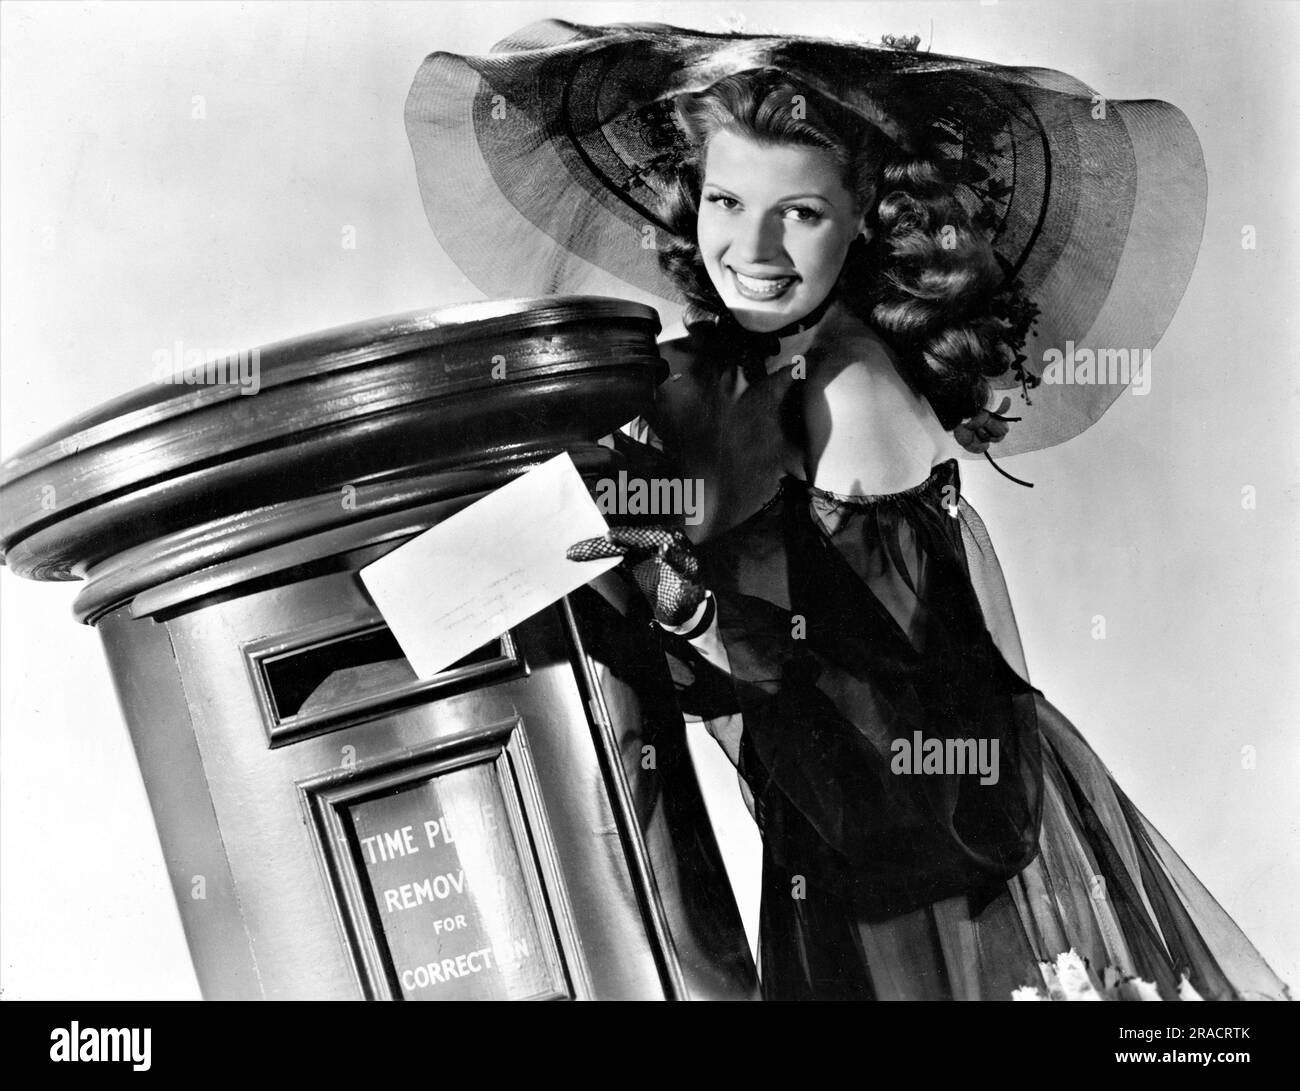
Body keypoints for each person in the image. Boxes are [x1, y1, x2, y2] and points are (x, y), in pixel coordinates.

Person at [407, 20, 1291, 1001]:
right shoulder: (735, 372)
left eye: (800, 214)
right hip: (845, 870)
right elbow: (548, 547)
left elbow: (915, 755)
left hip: (930, 885)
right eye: (727, 200)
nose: (753, 248)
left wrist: (669, 590)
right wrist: (427, 585)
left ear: (862, 211)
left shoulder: (849, 390)